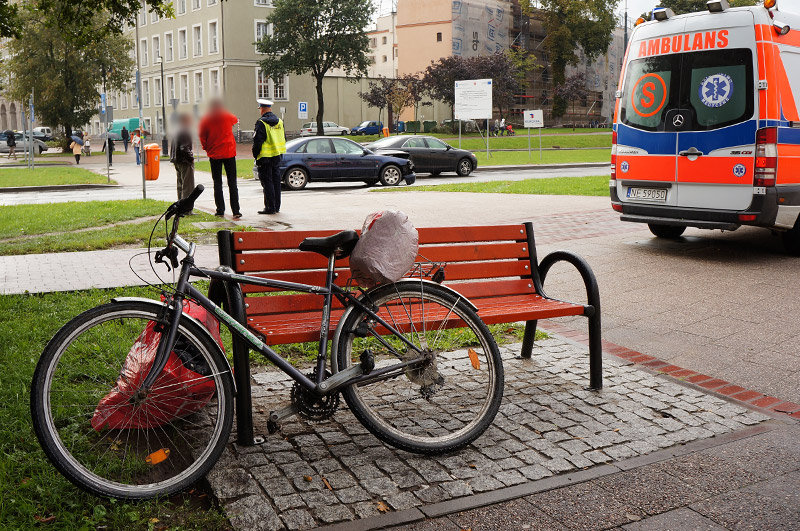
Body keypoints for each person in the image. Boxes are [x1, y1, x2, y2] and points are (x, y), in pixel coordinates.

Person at [199, 99, 241, 219]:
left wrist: (206, 148)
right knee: (232, 183)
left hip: (214, 154)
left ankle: (220, 210)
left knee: (217, 183)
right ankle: (236, 210)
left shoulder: (205, 119)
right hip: (229, 153)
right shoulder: (227, 116)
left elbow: (202, 136)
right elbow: (235, 119)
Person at [252, 98, 286, 215]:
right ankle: (277, 206)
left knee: (267, 183)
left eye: (260, 108)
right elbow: (283, 138)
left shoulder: (261, 123)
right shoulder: (280, 122)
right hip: (277, 156)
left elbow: (257, 142)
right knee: (276, 182)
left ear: (262, 109)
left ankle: (270, 208)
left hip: (265, 157)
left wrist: (255, 155)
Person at [170, 113, 195, 209]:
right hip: (185, 161)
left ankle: (180, 206)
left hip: (177, 160)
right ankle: (186, 209)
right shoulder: (185, 131)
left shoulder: (177, 130)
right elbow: (184, 147)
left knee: (180, 185)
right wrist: (191, 158)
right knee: (188, 186)